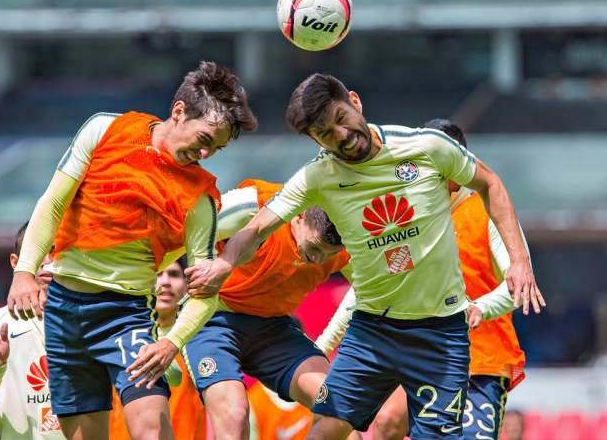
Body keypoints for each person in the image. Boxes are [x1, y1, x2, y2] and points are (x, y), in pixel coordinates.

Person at [186, 74, 544, 440]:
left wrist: (519, 261)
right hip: (372, 332)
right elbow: (258, 226)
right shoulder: (316, 177)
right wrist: (224, 263)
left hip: (441, 333)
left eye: (341, 118)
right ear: (314, 140)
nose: (340, 135)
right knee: (329, 427)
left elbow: (491, 183)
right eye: (325, 133)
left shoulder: (426, 147)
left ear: (355, 101)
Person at [7, 61, 257, 440]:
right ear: (179, 111)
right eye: (205, 138)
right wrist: (24, 271)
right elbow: (53, 203)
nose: (206, 153)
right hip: (61, 311)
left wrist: (172, 343)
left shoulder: (201, 201)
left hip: (124, 318)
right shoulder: (105, 128)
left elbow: (206, 293)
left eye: (216, 148)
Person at [320, 119, 531, 440]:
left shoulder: (487, 212)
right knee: (388, 420)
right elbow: (374, 285)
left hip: (483, 361)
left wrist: (478, 308)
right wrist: (324, 345)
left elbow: (519, 284)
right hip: (424, 349)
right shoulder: (409, 213)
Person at [181, 178, 359, 440]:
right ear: (299, 216)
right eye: (314, 248)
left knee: (338, 405)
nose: (319, 260)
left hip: (273, 329)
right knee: (235, 415)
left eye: (329, 254)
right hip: (213, 319)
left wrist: (323, 344)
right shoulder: (253, 205)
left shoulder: (352, 239)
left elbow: (365, 293)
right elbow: (180, 229)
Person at [0, 222, 131, 439]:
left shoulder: (96, 317)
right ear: (16, 262)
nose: (48, 261)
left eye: (56, 251)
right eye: (38, 252)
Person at [155, 256, 206, 440]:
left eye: (174, 274)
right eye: (158, 274)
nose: (166, 281)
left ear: (187, 285)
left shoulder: (203, 339)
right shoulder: (122, 337)